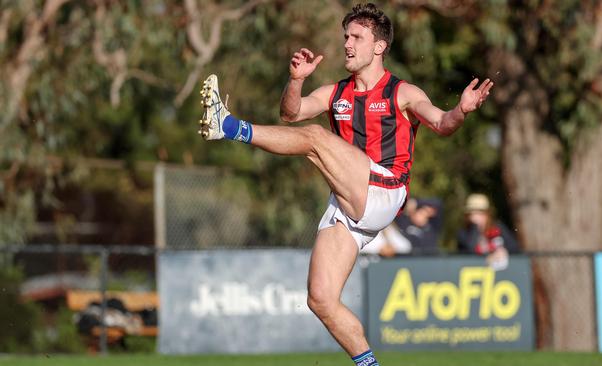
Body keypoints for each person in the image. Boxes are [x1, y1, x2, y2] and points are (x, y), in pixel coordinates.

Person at [197, 3, 493, 365]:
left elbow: (443, 124)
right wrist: (296, 80)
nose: (347, 44)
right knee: (320, 298)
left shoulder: (402, 92)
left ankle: (227, 126)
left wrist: (461, 109)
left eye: (357, 37)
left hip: (385, 189)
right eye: (345, 37)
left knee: (315, 140)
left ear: (379, 46)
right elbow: (290, 114)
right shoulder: (336, 93)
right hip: (349, 202)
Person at [457, 193, 518, 270]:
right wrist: (475, 228)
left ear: (487, 214)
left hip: (503, 277)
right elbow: (469, 252)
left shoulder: (498, 228)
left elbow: (514, 248)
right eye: (472, 213)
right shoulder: (464, 233)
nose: (475, 216)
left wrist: (504, 251)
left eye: (480, 213)